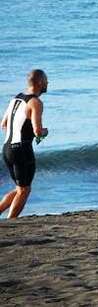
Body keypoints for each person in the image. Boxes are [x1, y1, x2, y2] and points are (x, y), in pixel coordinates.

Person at [1, 69, 48, 219]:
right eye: (46, 80)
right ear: (40, 82)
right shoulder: (35, 102)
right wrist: (44, 132)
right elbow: (37, 131)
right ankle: (11, 221)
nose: (47, 83)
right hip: (21, 149)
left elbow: (3, 124)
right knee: (24, 190)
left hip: (7, 148)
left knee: (20, 188)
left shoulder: (16, 99)